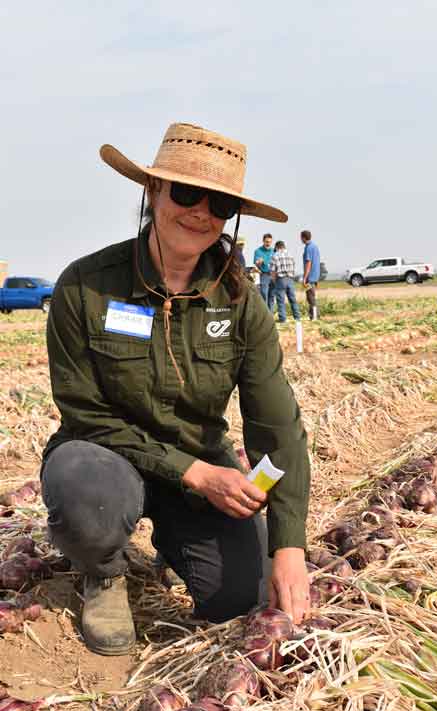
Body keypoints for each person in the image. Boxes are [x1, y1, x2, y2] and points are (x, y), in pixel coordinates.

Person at [41, 122, 311, 656]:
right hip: (104, 454)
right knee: (84, 491)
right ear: (152, 191)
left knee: (241, 596)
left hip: (200, 466)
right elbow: (83, 412)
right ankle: (104, 574)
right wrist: (194, 471)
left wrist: (290, 546)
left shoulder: (238, 302)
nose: (200, 213)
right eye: (186, 194)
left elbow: (275, 425)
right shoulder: (84, 286)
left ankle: (177, 541)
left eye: (220, 205)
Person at [270, 241, 301, 323]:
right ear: (284, 246)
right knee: (293, 299)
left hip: (280, 279)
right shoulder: (290, 255)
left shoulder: (275, 255)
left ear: (276, 247)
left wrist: (273, 280)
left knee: (280, 301)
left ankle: (283, 319)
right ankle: (297, 318)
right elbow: (293, 267)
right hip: (290, 279)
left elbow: (273, 271)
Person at [300, 230, 321, 320]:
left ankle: (315, 316)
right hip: (315, 275)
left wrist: (305, 277)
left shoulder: (308, 248)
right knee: (311, 296)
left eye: (301, 237)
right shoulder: (315, 246)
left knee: (310, 297)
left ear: (304, 238)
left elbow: (308, 263)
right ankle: (312, 315)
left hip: (310, 276)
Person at [254, 233, 275, 312]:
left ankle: (271, 315)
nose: (268, 243)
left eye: (269, 242)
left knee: (272, 296)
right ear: (263, 241)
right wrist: (259, 262)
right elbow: (256, 263)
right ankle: (264, 314)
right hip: (264, 275)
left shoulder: (274, 251)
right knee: (263, 295)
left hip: (273, 275)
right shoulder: (258, 251)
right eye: (266, 242)